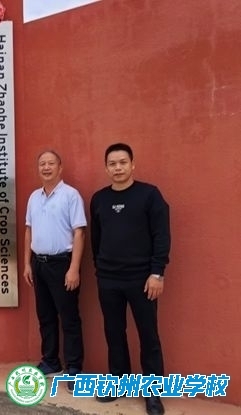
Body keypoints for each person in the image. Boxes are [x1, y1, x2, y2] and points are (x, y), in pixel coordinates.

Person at [90, 143, 170, 415]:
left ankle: (153, 393)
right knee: (114, 333)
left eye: (123, 162)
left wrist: (157, 273)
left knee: (148, 336)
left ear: (132, 164)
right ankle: (119, 382)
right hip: (108, 279)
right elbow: (96, 239)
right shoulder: (99, 199)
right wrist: (100, 269)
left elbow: (162, 236)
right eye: (112, 163)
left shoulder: (150, 195)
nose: (118, 168)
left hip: (143, 280)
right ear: (106, 168)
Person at [23, 150, 86, 393]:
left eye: (51, 163)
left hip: (62, 264)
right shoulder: (34, 197)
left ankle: (74, 368)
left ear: (60, 168)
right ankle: (51, 361)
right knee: (45, 316)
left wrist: (74, 269)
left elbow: (79, 233)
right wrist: (27, 263)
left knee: (69, 318)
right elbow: (28, 230)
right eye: (42, 164)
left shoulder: (71, 195)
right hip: (39, 264)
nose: (46, 167)